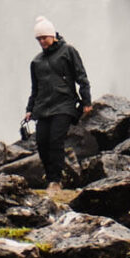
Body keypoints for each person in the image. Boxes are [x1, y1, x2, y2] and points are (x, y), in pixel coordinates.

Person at [25, 16, 92, 191]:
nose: (41, 41)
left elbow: (81, 77)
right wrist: (29, 110)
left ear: (52, 35)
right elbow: (35, 88)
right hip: (43, 107)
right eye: (38, 39)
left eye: (44, 38)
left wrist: (87, 101)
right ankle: (50, 177)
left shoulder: (68, 51)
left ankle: (55, 181)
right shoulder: (36, 61)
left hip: (64, 105)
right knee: (41, 142)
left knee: (56, 140)